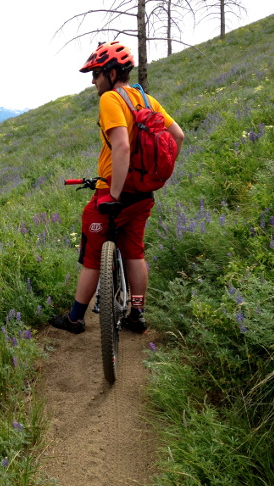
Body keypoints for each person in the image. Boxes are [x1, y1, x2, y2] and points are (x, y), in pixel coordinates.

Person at [49, 42, 186, 334]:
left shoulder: (111, 99)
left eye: (96, 73)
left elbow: (122, 146)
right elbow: (179, 136)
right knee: (134, 253)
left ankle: (74, 319)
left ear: (111, 74)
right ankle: (137, 314)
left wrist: (113, 193)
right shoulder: (145, 99)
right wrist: (155, 174)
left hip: (114, 190)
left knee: (91, 256)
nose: (93, 80)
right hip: (142, 193)